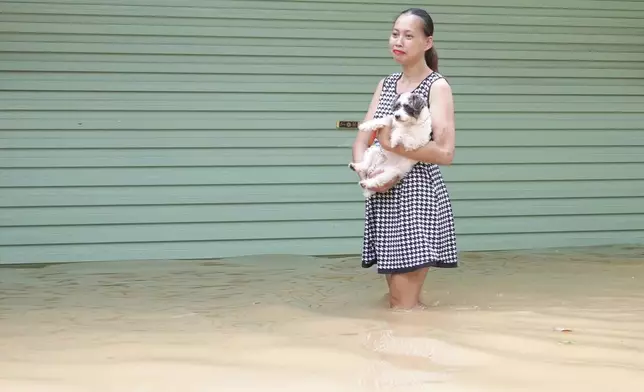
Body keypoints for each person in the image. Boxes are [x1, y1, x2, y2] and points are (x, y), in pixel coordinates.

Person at [351, 8, 458, 310]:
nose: (398, 41)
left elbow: (446, 152)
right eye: (395, 33)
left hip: (417, 199)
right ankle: (412, 350)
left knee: (403, 304)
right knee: (397, 300)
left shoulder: (437, 86)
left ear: (428, 42)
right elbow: (361, 140)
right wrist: (368, 179)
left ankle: (420, 348)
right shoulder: (385, 84)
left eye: (409, 35)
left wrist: (393, 146)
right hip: (384, 198)